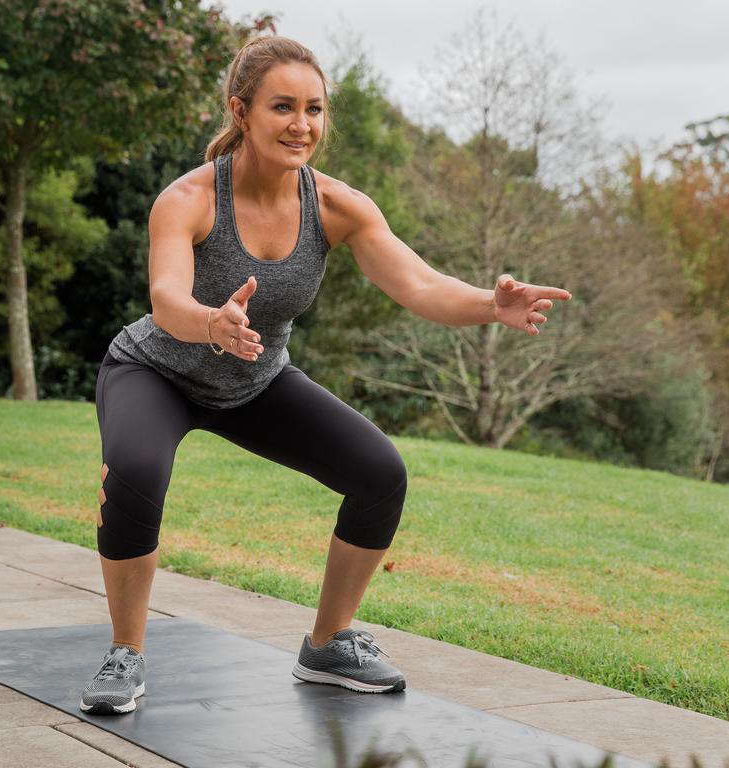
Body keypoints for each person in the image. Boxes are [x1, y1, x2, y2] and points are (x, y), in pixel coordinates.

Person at [79, 35, 572, 716]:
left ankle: (328, 642)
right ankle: (125, 651)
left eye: (314, 108)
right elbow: (167, 299)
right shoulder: (189, 199)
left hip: (255, 380)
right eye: (283, 106)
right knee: (135, 470)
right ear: (241, 110)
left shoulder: (337, 206)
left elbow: (420, 285)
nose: (302, 124)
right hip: (155, 371)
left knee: (379, 474)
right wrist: (210, 322)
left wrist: (491, 305)